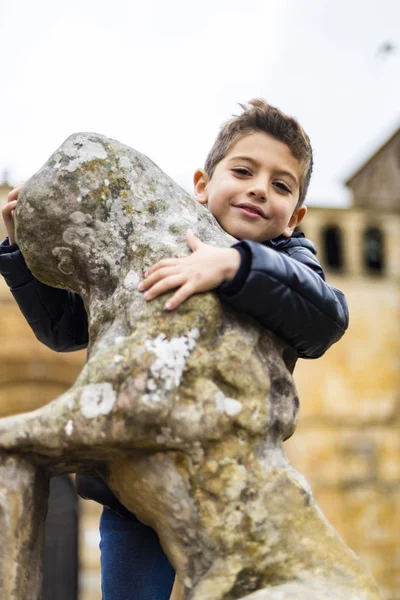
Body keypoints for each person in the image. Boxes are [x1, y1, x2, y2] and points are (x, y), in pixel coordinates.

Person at [0, 99, 348, 600]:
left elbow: (326, 317)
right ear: (203, 186)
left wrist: (235, 266)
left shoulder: (287, 257)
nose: (258, 188)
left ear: (294, 217)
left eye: (280, 185)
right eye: (244, 170)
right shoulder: (158, 243)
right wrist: (19, 256)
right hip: (132, 494)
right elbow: (66, 329)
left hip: (226, 486)